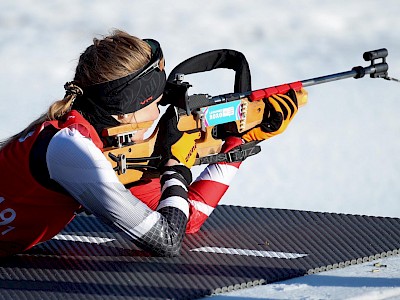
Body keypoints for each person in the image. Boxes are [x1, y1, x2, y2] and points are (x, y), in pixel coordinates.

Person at [0, 30, 299, 257]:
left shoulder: (114, 148)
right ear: (124, 110)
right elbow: (166, 240)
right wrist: (175, 167)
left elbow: (184, 219)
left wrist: (238, 144)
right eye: (156, 102)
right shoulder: (71, 148)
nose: (160, 112)